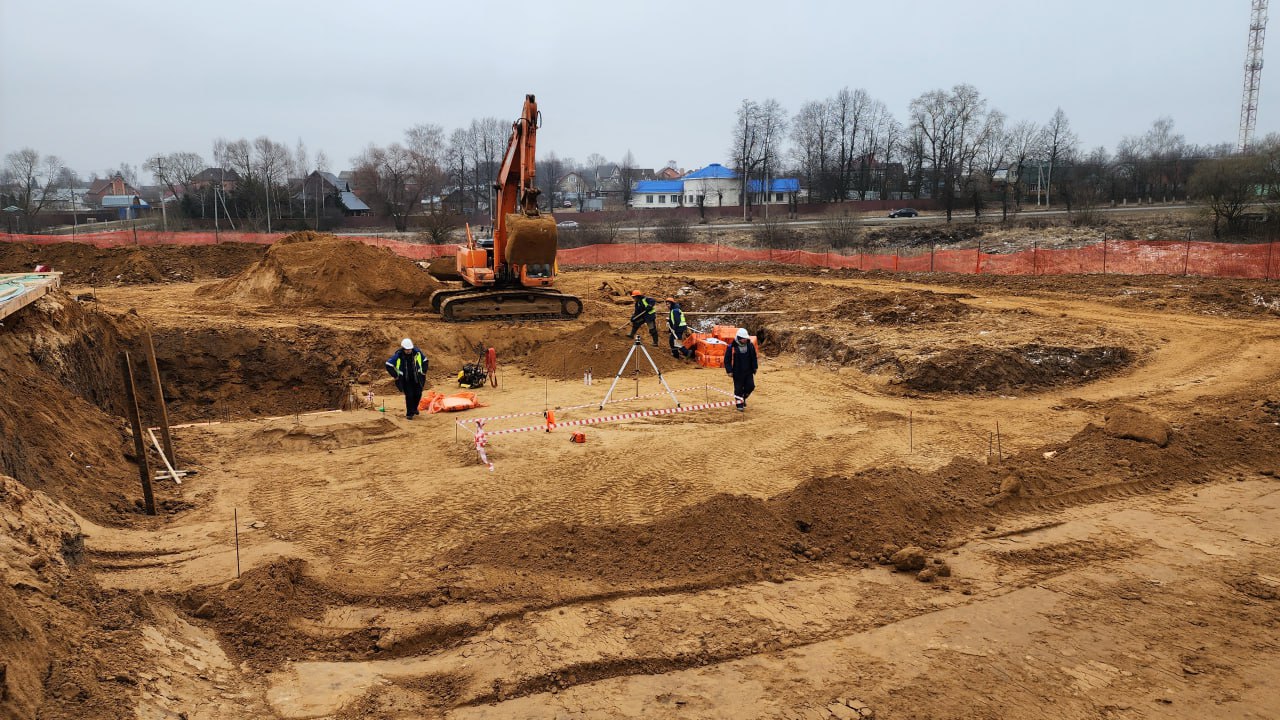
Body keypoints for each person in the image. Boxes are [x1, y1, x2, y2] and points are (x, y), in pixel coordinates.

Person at [385, 338, 428, 419]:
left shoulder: (417, 353)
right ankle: (409, 414)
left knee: (418, 394)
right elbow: (388, 364)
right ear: (403, 348)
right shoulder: (399, 355)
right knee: (409, 396)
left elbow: (425, 360)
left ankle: (414, 408)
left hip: (417, 378)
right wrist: (395, 376)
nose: (408, 351)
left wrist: (423, 372)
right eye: (406, 349)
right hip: (405, 380)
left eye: (409, 349)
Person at [723, 327, 758, 412]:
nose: (745, 340)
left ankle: (743, 398)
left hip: (748, 371)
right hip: (737, 372)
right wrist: (729, 371)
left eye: (746, 338)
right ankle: (739, 405)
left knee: (750, 386)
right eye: (743, 339)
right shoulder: (732, 347)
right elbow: (727, 360)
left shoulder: (750, 346)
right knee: (738, 389)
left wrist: (755, 367)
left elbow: (753, 357)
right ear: (739, 338)